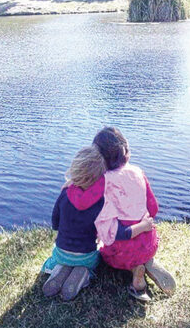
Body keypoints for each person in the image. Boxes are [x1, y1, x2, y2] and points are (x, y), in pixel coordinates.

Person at [41, 144, 154, 301]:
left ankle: (59, 269)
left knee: (59, 257)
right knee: (96, 254)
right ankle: (84, 274)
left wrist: (59, 233)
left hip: (62, 251)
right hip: (86, 256)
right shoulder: (102, 202)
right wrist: (143, 226)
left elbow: (55, 220)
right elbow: (119, 233)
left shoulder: (65, 193)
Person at [93, 127, 176, 301]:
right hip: (148, 243)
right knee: (139, 247)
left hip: (120, 251)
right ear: (126, 152)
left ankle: (133, 268)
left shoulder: (103, 182)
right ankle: (142, 264)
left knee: (105, 250)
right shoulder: (138, 173)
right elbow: (153, 209)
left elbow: (98, 217)